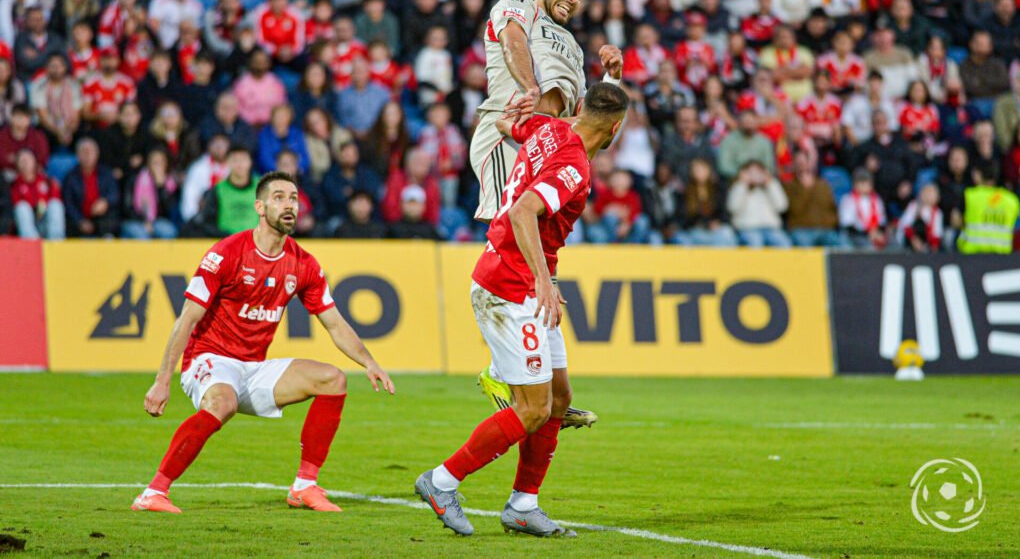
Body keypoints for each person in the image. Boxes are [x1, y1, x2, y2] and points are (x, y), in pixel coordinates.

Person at [415, 82, 628, 538]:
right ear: (615, 129)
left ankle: (523, 505)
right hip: (511, 288)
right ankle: (441, 481)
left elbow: (506, 124)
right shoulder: (574, 165)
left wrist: (511, 114)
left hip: (520, 280)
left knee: (559, 399)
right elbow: (523, 212)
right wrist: (542, 279)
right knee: (533, 409)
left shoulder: (553, 127)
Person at [132, 170, 395, 513]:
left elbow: (334, 323)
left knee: (333, 379)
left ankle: (304, 486)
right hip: (210, 359)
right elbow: (187, 319)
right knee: (222, 402)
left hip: (254, 367)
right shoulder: (226, 253)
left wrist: (369, 362)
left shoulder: (303, 263)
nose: (290, 205)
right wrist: (162, 380)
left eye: (294, 199)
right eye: (279, 197)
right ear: (259, 206)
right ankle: (154, 492)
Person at [468, 0, 622, 430]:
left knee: (541, 234)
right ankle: (504, 370)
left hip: (543, 141)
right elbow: (513, 40)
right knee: (513, 226)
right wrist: (529, 86)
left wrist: (611, 80)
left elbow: (591, 128)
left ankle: (544, 385)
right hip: (508, 134)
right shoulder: (518, 5)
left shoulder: (572, 49)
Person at [63, 136, 121, 238]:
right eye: (84, 152)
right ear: (77, 155)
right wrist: (80, 221)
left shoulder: (106, 173)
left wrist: (105, 202)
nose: (87, 156)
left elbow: (114, 193)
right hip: (80, 218)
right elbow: (69, 204)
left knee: (113, 217)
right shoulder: (70, 177)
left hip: (102, 219)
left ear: (97, 154)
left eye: (90, 152)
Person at [957, 164, 1020, 254]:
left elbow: (956, 221)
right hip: (1003, 258)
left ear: (978, 175)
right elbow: (1017, 226)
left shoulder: (970, 195)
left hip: (973, 255)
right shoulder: (1012, 200)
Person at [726, 160, 790, 247]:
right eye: (751, 172)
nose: (755, 175)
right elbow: (733, 208)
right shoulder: (738, 187)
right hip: (747, 228)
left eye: (758, 172)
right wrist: (743, 184)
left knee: (783, 242)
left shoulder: (771, 186)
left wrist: (770, 183)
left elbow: (782, 207)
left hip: (771, 228)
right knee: (755, 242)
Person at [11, 148, 65, 239]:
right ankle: (31, 243)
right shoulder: (14, 185)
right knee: (22, 208)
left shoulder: (47, 181)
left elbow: (55, 199)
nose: (25, 163)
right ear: (17, 164)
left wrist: (41, 207)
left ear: (35, 162)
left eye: (28, 159)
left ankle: (56, 242)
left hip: (46, 223)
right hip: (27, 226)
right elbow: (16, 206)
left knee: (55, 204)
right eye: (22, 160)